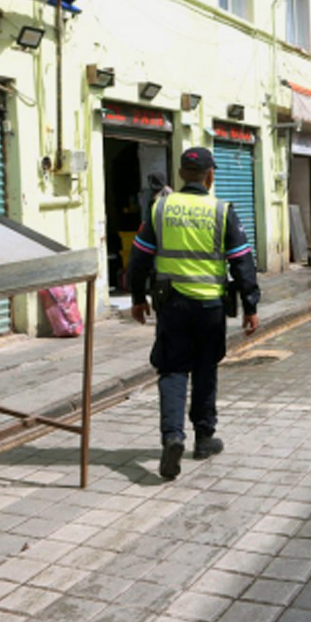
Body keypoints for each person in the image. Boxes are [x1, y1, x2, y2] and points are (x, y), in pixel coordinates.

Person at [128, 148, 260, 480]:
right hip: (210, 307)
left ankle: (172, 437)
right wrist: (250, 305)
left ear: (182, 174)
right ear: (209, 175)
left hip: (171, 305)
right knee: (205, 369)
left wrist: (137, 297)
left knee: (172, 371)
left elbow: (140, 256)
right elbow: (242, 261)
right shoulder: (221, 210)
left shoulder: (161, 208)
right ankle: (204, 438)